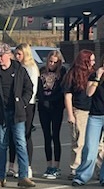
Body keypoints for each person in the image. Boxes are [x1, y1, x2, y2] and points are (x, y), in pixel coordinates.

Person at [0, 43, 36, 188]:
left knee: (20, 143)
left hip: (17, 113)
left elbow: (29, 88)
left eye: (1, 56)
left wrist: (23, 102)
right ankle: (0, 177)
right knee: (2, 145)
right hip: (0, 113)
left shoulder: (19, 70)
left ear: (9, 55)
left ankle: (23, 177)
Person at [62, 50, 96, 179]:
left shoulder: (94, 73)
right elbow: (68, 96)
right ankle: (75, 168)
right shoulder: (73, 74)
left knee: (96, 143)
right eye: (91, 60)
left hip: (93, 111)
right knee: (79, 142)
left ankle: (98, 169)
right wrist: (70, 115)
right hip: (79, 111)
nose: (93, 63)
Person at [8, 43, 39, 179]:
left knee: (25, 135)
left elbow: (31, 90)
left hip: (27, 105)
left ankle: (28, 166)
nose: (17, 57)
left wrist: (23, 103)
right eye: (16, 54)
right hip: (15, 105)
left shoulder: (30, 68)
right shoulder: (16, 67)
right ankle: (12, 165)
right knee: (13, 136)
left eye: (19, 54)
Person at [72, 56, 104, 186]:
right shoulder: (94, 75)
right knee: (90, 148)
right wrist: (97, 77)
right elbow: (89, 93)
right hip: (95, 116)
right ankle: (81, 177)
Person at [38, 50, 66, 179]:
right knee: (46, 137)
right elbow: (38, 89)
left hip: (56, 107)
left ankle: (56, 166)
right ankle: (49, 165)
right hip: (43, 107)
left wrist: (52, 101)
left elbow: (61, 90)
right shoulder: (42, 71)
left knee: (55, 135)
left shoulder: (62, 72)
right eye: (50, 61)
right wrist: (43, 100)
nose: (52, 64)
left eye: (55, 62)